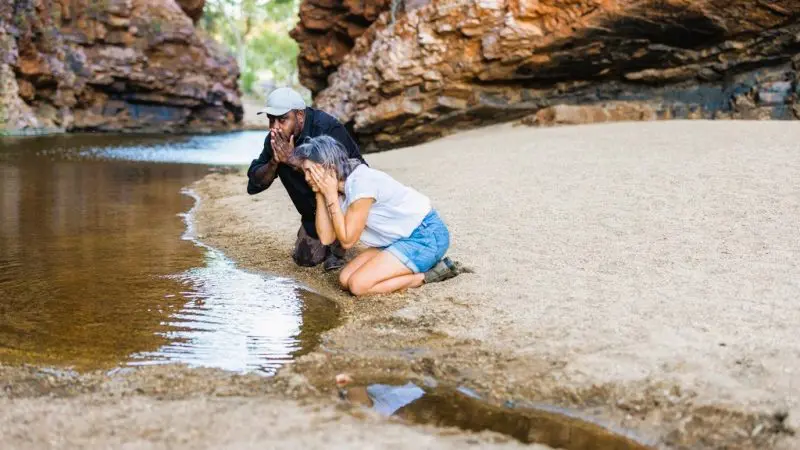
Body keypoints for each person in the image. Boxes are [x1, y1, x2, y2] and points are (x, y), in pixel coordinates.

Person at [294, 135, 460, 297]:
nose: (307, 178)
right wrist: (320, 193)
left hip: (425, 236)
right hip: (395, 238)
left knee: (358, 286)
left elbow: (347, 240)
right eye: (305, 172)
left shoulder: (361, 184)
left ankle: (430, 275)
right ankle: (405, 266)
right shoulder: (338, 187)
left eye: (310, 171)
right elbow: (326, 238)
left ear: (329, 167)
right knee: (344, 279)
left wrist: (330, 196)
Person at [247, 87, 365, 271]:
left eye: (282, 119)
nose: (274, 127)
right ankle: (321, 235)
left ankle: (341, 244)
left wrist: (293, 159)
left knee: (336, 258)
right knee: (305, 259)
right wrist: (274, 162)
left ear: (300, 116)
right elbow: (254, 185)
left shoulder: (326, 128)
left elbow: (349, 176)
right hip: (312, 216)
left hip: (346, 206)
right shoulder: (276, 140)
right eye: (271, 120)